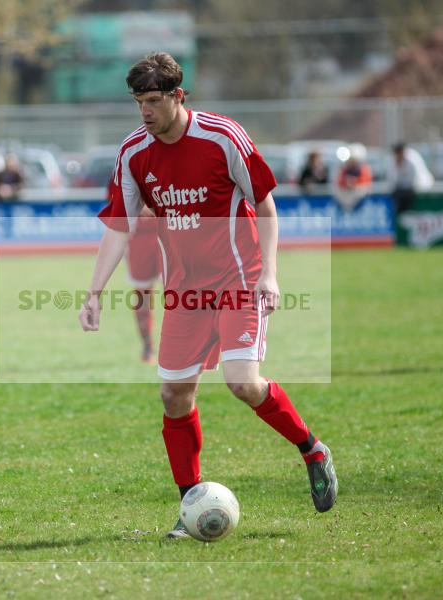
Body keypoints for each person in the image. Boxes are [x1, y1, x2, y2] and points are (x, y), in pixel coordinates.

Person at [78, 52, 337, 539]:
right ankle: (189, 506)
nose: (145, 112)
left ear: (179, 96)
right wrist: (94, 292)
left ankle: (311, 449)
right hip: (185, 290)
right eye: (138, 103)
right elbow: (118, 226)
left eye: (153, 101)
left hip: (239, 278)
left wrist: (271, 275)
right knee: (174, 395)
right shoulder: (134, 152)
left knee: (242, 383)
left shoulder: (222, 137)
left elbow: (264, 204)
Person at [124, 204, 162, 363]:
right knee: (142, 295)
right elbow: (117, 201)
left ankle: (185, 344)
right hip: (139, 236)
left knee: (179, 292)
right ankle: (148, 346)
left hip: (170, 231)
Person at [388, 142, 433, 216]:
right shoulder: (394, 161)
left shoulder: (411, 159)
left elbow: (415, 179)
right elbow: (392, 179)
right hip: (403, 189)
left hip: (420, 187)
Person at [333, 143, 372, 211]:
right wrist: (347, 183)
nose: (352, 162)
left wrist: (355, 184)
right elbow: (339, 182)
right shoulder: (345, 169)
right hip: (346, 198)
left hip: (358, 200)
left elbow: (366, 183)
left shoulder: (364, 169)